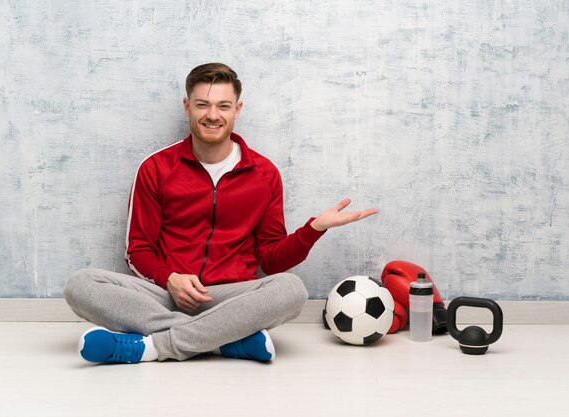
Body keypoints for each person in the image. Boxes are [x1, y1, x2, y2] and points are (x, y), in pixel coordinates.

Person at [63, 63, 377, 364]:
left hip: (231, 297)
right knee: (81, 284)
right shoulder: (156, 168)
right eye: (203, 105)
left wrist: (314, 229)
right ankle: (225, 340)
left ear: (237, 110)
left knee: (291, 290)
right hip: (166, 294)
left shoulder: (264, 173)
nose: (213, 115)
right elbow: (137, 250)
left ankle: (155, 346)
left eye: (223, 106)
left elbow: (270, 260)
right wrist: (170, 279)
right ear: (187, 107)